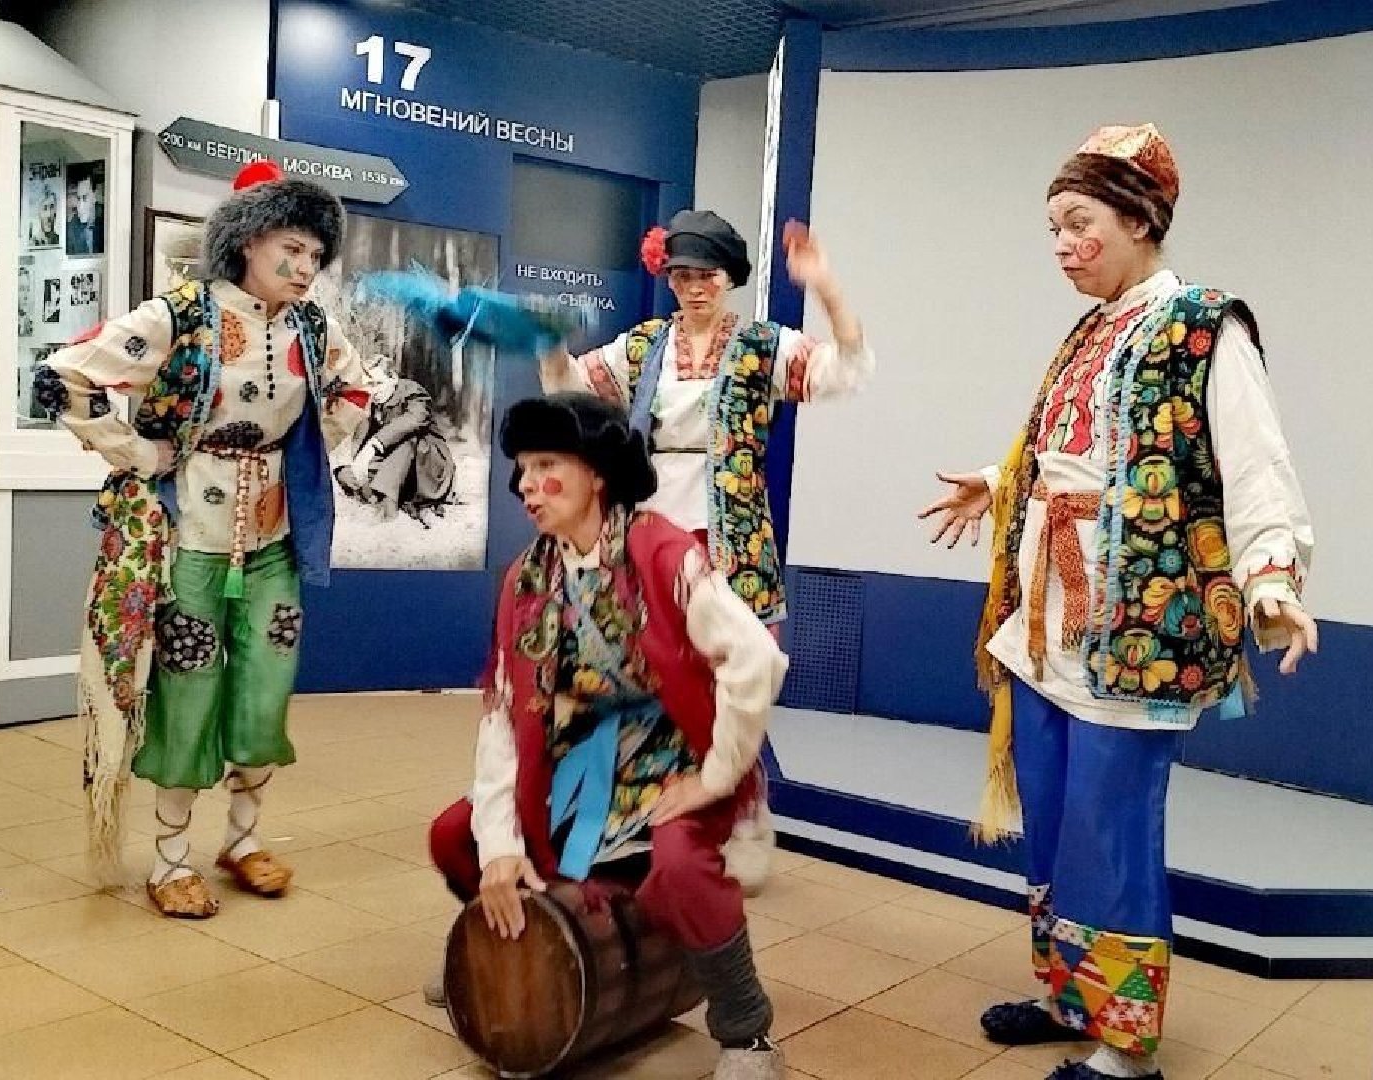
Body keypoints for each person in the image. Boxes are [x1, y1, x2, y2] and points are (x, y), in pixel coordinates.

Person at [919, 124, 1318, 1080]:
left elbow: (1255, 468)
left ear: (1139, 219)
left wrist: (1271, 581)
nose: (1062, 246)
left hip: (1138, 628)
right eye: (1053, 228)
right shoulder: (1090, 330)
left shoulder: (1205, 326)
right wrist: (997, 483)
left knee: (1112, 830)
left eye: (1078, 223)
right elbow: (1072, 454)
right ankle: (1071, 996)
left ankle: (1129, 1049)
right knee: (1055, 823)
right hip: (1049, 626)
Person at [39, 160, 374, 918]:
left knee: (265, 690)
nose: (306, 267)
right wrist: (139, 452)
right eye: (292, 248)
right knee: (187, 689)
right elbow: (62, 376)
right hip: (187, 536)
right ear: (248, 241)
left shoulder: (313, 328)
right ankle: (170, 858)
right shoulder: (179, 317)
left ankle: (244, 840)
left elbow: (356, 389)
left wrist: (313, 448)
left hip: (274, 539)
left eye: (316, 254)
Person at [427, 392, 789, 1080]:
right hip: (577, 765)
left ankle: (747, 1031)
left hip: (674, 757)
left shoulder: (664, 554)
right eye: (522, 469)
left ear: (596, 473)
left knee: (680, 864)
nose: (527, 485)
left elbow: (755, 660)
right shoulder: (527, 580)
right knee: (455, 834)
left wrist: (715, 776)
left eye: (546, 465)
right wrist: (499, 848)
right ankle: (499, 948)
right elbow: (504, 711)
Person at [541, 209, 873, 628]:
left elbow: (845, 369)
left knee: (730, 650)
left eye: (708, 276)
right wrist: (550, 345)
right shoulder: (643, 346)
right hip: (650, 523)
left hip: (733, 535)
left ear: (729, 277)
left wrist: (825, 285)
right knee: (650, 643)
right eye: (683, 277)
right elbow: (572, 394)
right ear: (669, 280)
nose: (695, 289)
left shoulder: (761, 345)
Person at [333, 355, 457, 525]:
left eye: (378, 383)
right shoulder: (377, 400)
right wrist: (358, 460)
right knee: (345, 473)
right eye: (369, 384)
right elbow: (365, 434)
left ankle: (388, 506)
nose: (374, 391)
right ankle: (375, 493)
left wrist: (375, 443)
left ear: (393, 378)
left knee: (408, 440)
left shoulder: (414, 392)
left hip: (428, 467)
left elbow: (414, 419)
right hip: (396, 466)